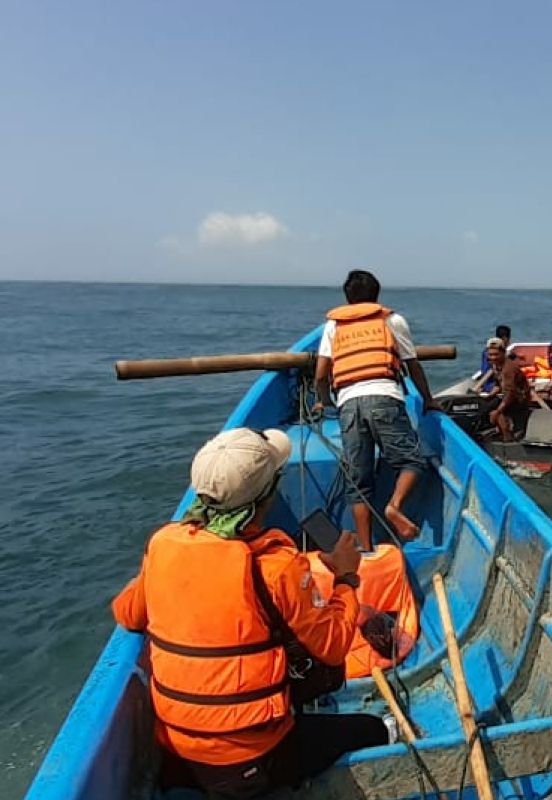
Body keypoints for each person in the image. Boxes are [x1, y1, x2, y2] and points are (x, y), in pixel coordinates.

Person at [111, 427, 390, 798]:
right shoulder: (275, 565)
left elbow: (128, 615)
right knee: (373, 729)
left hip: (178, 750)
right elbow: (334, 646)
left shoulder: (163, 543)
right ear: (267, 495)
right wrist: (346, 578)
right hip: (252, 759)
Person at [313, 270, 440, 551]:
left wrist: (324, 400)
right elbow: (412, 365)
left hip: (348, 404)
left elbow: (321, 374)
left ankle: (367, 547)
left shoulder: (334, 326)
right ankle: (394, 506)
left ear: (347, 299)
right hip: (384, 397)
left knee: (358, 480)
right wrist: (428, 399)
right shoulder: (392, 320)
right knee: (412, 461)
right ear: (376, 294)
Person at [484, 337, 531, 441]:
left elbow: (510, 393)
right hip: (507, 394)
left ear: (503, 353)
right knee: (485, 405)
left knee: (495, 411)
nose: (493, 357)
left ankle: (507, 436)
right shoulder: (496, 365)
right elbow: (498, 384)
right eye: (490, 355)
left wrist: (498, 410)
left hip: (519, 399)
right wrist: (488, 396)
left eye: (496, 354)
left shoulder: (509, 369)